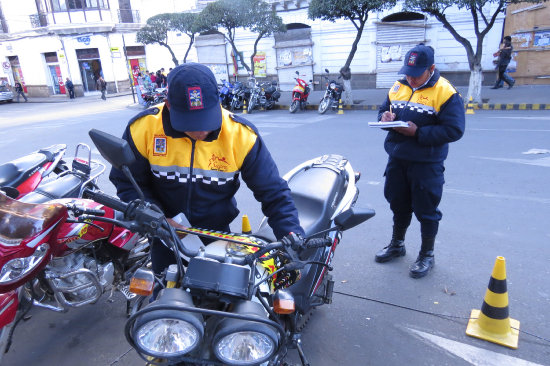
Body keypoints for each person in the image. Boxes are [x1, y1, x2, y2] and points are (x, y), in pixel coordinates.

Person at [109, 62, 304, 275]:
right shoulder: (143, 128)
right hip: (165, 235)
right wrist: (157, 217)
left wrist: (291, 234)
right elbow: (127, 182)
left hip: (217, 236)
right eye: (190, 123)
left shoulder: (241, 135)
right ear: (169, 105)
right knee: (161, 299)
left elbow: (273, 192)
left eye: (206, 119)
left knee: (224, 303)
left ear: (218, 103)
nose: (201, 130)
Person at [374, 44, 465, 278]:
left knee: (426, 211)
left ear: (431, 68)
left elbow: (454, 130)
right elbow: (384, 110)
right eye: (408, 73)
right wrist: (385, 117)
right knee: (398, 204)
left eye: (416, 75)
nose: (411, 79)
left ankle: (427, 255)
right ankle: (397, 244)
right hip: (397, 159)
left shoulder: (446, 92)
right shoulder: (398, 86)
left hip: (426, 164)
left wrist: (418, 133)